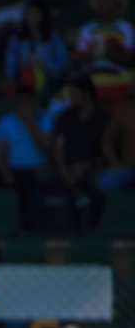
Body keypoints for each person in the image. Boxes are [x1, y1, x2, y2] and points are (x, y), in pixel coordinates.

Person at [0, 86, 55, 220]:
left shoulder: (45, 118)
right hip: (14, 170)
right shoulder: (6, 121)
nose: (23, 105)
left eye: (27, 101)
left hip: (38, 170)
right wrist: (4, 172)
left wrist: (30, 124)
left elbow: (47, 147)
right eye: (20, 101)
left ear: (34, 103)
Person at [54, 75, 110, 224]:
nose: (70, 97)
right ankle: (61, 224)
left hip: (94, 167)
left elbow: (107, 149)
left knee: (98, 180)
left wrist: (87, 165)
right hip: (67, 168)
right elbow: (59, 146)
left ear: (86, 94)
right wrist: (64, 170)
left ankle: (93, 225)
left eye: (73, 93)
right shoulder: (66, 116)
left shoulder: (103, 117)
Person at [72, 0, 135, 110]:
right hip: (90, 75)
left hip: (118, 74)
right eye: (100, 1)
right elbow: (78, 59)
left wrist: (109, 51)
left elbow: (129, 60)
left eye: (107, 0)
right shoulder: (87, 29)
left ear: (116, 5)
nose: (102, 4)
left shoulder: (126, 28)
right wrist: (92, 54)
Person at [4, 0, 69, 99]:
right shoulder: (17, 39)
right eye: (29, 13)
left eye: (36, 13)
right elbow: (11, 66)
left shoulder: (54, 37)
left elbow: (62, 64)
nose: (32, 17)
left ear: (43, 15)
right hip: (24, 80)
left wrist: (45, 63)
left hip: (50, 79)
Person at [97, 90, 135, 191]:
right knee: (105, 181)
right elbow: (106, 140)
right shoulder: (124, 110)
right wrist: (113, 161)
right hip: (128, 168)